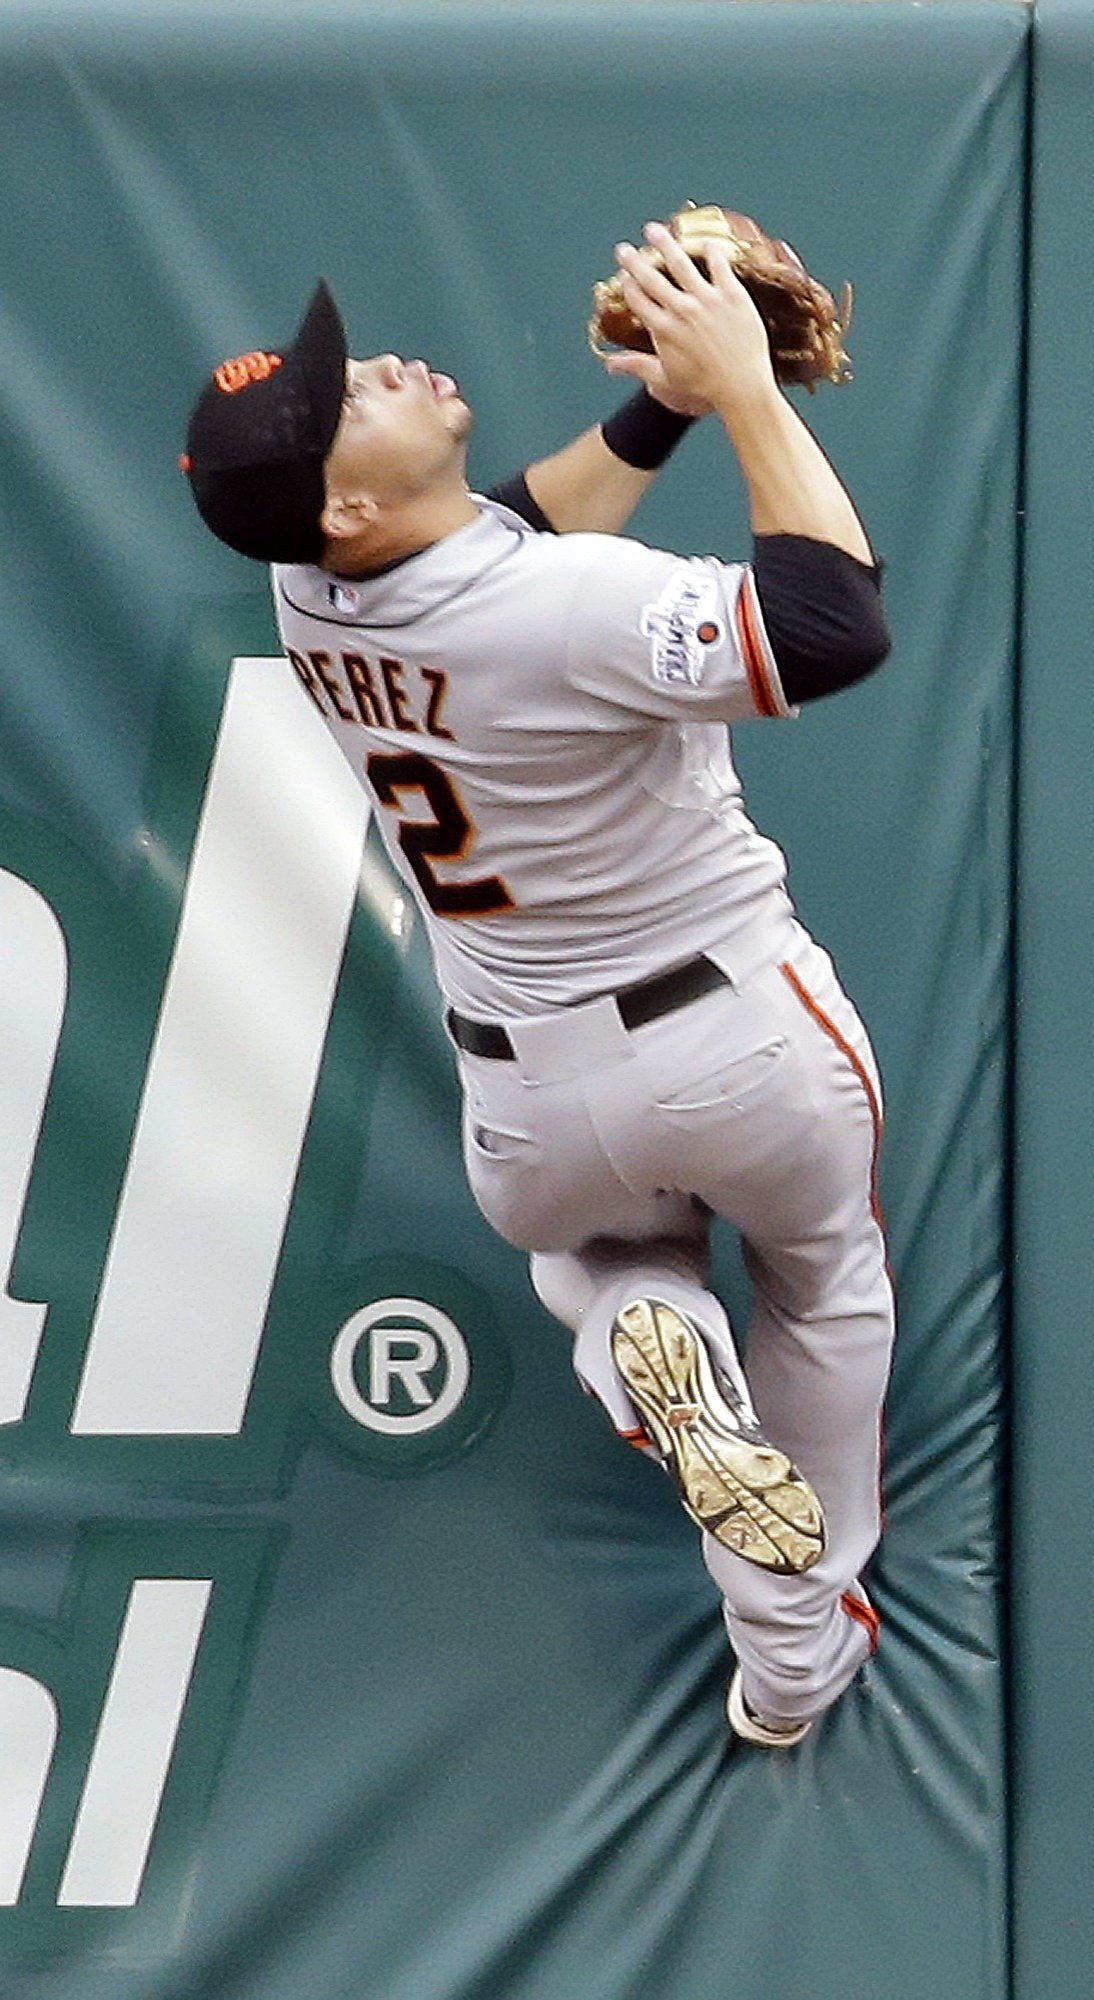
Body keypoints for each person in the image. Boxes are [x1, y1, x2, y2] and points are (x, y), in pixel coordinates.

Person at [182, 224, 894, 1747]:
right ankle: (798, 1641)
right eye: (343, 400)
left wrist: (661, 407)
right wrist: (751, 393)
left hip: (530, 1108)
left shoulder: (314, 596)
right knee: (826, 1277)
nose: (370, 366)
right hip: (737, 1045)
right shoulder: (567, 612)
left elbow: (499, 524)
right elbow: (830, 630)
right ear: (350, 499)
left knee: (595, 1261)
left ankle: (647, 1350)